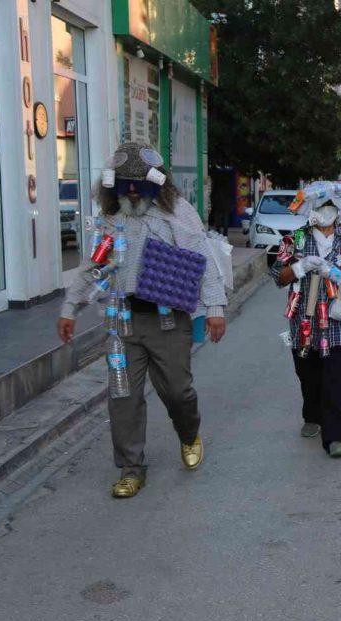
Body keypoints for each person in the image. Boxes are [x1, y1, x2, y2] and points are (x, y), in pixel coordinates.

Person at [57, 142, 228, 499]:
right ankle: (131, 469)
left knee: (177, 392)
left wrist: (214, 308)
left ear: (156, 182)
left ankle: (188, 433)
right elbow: (93, 265)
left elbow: (203, 259)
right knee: (123, 395)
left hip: (168, 321)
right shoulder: (110, 219)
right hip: (123, 321)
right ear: (113, 185)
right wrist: (70, 307)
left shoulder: (177, 212)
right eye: (125, 183)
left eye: (139, 183)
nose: (132, 190)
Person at [276, 188, 341, 458]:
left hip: (338, 320)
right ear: (310, 211)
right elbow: (278, 277)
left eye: (330, 206)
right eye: (320, 206)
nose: (326, 211)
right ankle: (312, 415)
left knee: (334, 378)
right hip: (303, 321)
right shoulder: (296, 238)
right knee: (307, 374)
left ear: (339, 210)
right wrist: (299, 267)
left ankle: (336, 436)